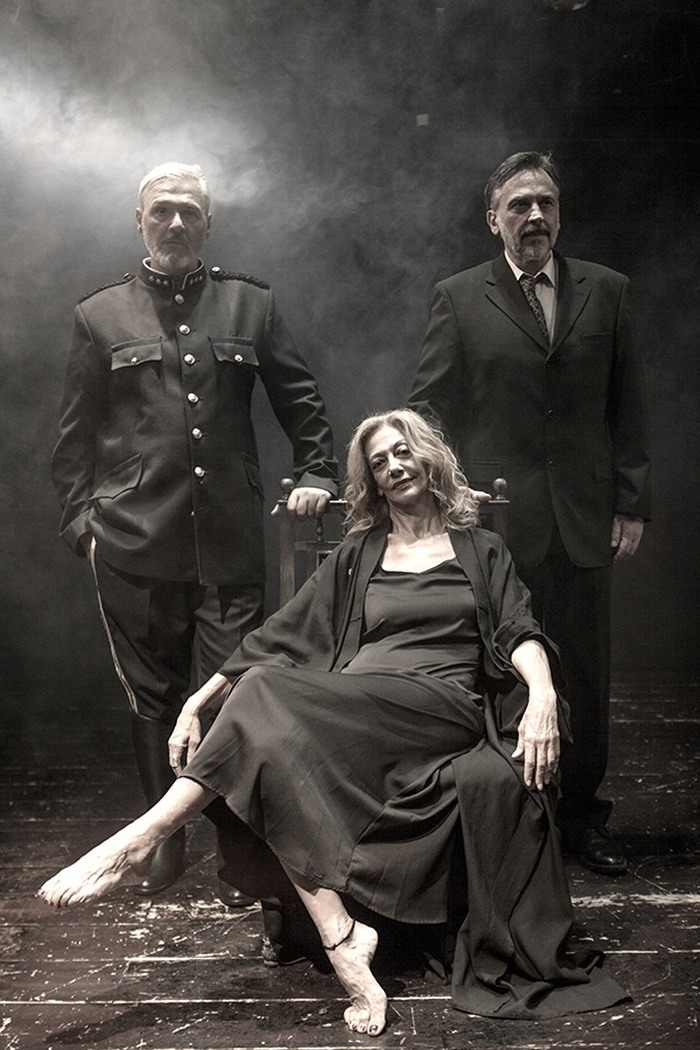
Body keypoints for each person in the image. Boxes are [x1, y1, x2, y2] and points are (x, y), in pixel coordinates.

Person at [39, 409, 628, 1036]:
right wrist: (196, 701)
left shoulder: (482, 549)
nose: (394, 466)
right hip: (353, 711)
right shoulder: (359, 553)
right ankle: (343, 939)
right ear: (371, 482)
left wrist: (542, 693)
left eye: (403, 452)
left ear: (429, 459)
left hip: (438, 705)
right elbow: (281, 634)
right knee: (271, 738)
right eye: (379, 462)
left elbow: (518, 630)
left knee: (263, 700)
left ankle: (145, 835)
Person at [51, 162, 338, 900]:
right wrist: (83, 524)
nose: (175, 223)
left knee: (230, 694)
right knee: (153, 698)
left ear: (209, 223)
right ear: (138, 221)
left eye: (189, 212)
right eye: (161, 211)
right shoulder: (99, 314)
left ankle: (239, 853)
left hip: (230, 539)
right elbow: (74, 437)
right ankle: (162, 840)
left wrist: (318, 472)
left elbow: (302, 402)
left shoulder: (250, 304)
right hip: (131, 541)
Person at [408, 151, 651, 876]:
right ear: (494, 220)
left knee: (583, 673)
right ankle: (514, 821)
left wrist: (631, 503)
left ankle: (583, 820)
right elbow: (428, 409)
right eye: (519, 205)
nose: (535, 216)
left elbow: (628, 407)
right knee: (501, 671)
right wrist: (450, 496)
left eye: (546, 202)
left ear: (560, 213)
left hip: (584, 518)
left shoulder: (607, 291)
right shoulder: (459, 297)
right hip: (498, 524)